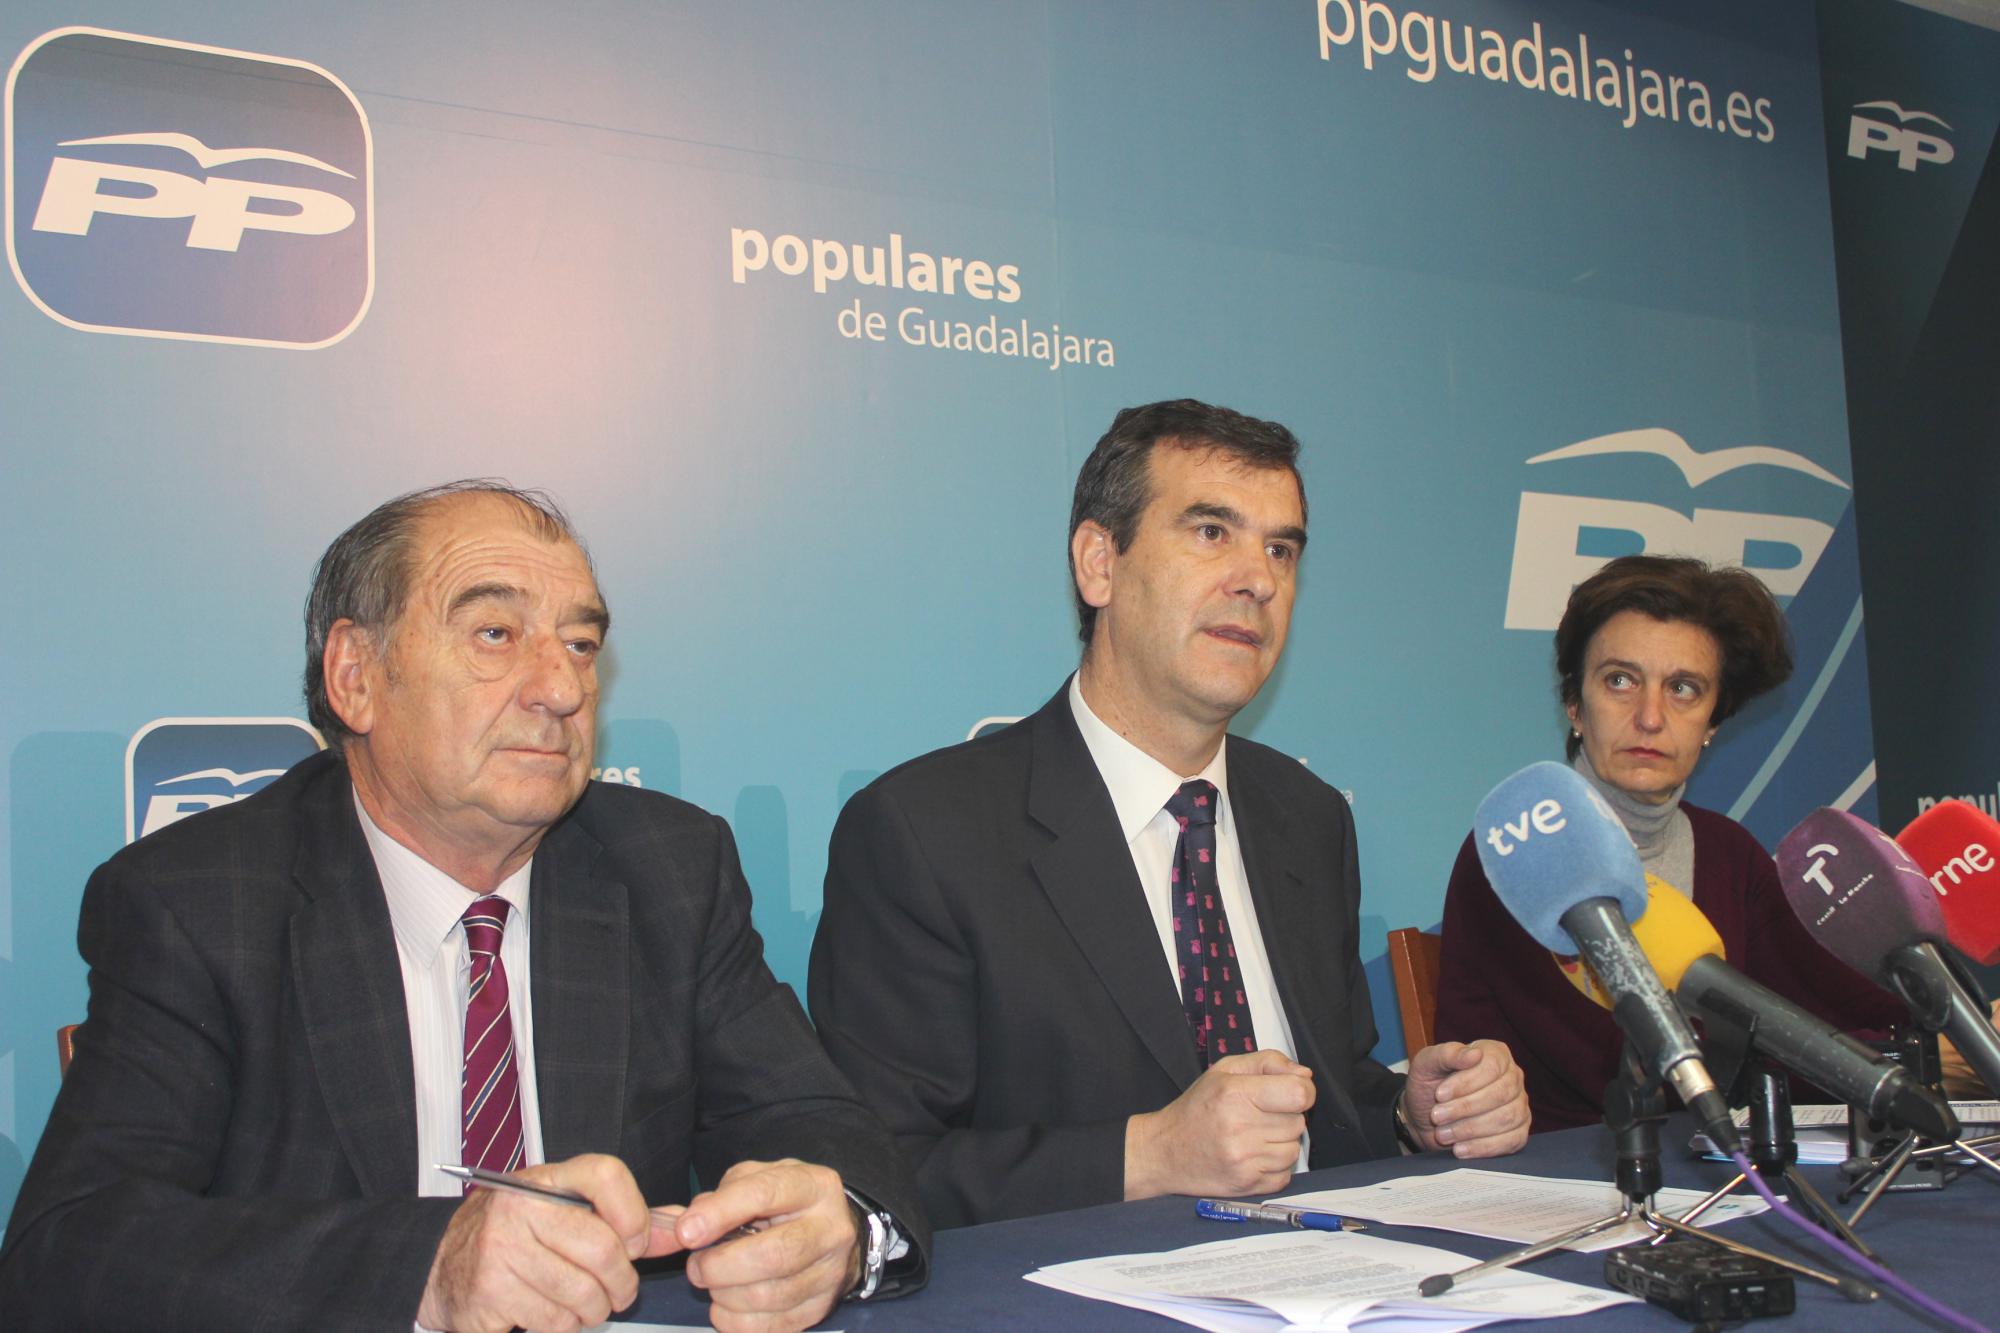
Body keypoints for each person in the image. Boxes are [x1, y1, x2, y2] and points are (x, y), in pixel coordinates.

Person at [0, 482, 926, 1332]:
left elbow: (823, 1126)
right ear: (356, 676)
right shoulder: (200, 902)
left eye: (581, 644)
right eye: (495, 634)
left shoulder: (671, 869)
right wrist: (429, 1268)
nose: (562, 688)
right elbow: (67, 1250)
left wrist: (840, 1226)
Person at [808, 400, 1530, 1229]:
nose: (1258, 579)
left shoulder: (1309, 817)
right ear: (1099, 564)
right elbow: (879, 1168)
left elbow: (1323, 1103)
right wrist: (1149, 1155)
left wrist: (1410, 1113)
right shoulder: (925, 832)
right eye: (1212, 532)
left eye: (1281, 549)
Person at [1434, 554, 1904, 1131]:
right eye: (1620, 681)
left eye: (1683, 688)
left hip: (1706, 1163)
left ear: (1713, 723)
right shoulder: (1520, 847)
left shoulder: (1729, 853)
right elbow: (1622, 1064)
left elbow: (1832, 1002)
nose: (1651, 717)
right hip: (1561, 1167)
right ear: (1575, 705)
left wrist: (1925, 1040)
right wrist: (1861, 1067)